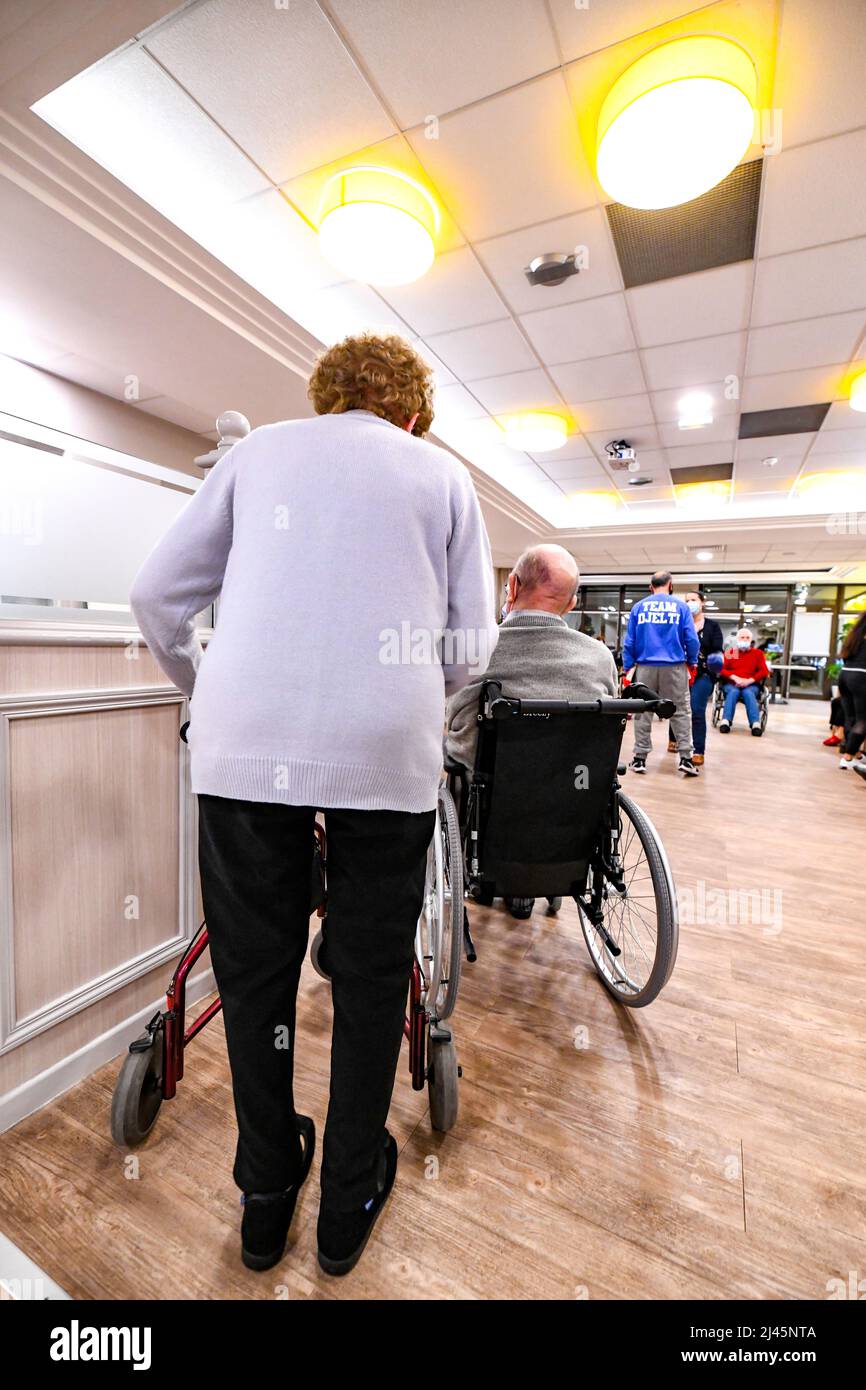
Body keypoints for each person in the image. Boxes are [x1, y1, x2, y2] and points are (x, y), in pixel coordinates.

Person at [130, 331, 497, 1277]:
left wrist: (206, 690)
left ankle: (263, 1198)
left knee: (257, 981)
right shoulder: (441, 474)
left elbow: (155, 597)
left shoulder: (257, 456)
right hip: (386, 754)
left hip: (245, 748)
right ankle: (346, 1204)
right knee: (372, 979)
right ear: (414, 411)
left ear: (328, 396)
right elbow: (471, 650)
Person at [445, 544, 617, 919]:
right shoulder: (599, 658)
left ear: (512, 586)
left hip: (488, 806)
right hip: (571, 800)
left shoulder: (477, 650)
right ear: (570, 604)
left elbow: (455, 719)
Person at [622, 570, 701, 776]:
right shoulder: (681, 607)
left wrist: (628, 666)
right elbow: (692, 640)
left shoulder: (639, 607)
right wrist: (691, 661)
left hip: (645, 667)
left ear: (651, 587)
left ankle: (639, 759)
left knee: (643, 711)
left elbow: (629, 641)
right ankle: (686, 758)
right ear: (671, 585)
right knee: (681, 711)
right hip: (674, 667)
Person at [666, 590, 724, 767]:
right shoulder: (680, 624)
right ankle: (673, 738)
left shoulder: (712, 627)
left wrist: (713, 671)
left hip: (703, 675)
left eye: (694, 600)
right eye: (687, 600)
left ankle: (698, 750)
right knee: (676, 705)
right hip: (681, 672)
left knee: (696, 709)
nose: (690, 603)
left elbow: (717, 651)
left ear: (702, 603)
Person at [718, 628, 769, 735]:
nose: (745, 640)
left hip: (750, 685)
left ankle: (755, 724)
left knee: (748, 693)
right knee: (734, 692)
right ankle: (726, 721)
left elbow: (764, 671)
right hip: (732, 684)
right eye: (742, 637)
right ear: (737, 639)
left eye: (747, 638)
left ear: (751, 640)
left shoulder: (757, 654)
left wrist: (749, 680)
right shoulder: (732, 652)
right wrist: (734, 677)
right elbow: (721, 669)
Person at [837, 611, 866, 770]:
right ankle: (848, 757)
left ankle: (856, 755)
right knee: (863, 720)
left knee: (850, 717)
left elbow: (845, 658)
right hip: (862, 677)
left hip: (845, 675)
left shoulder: (854, 636)